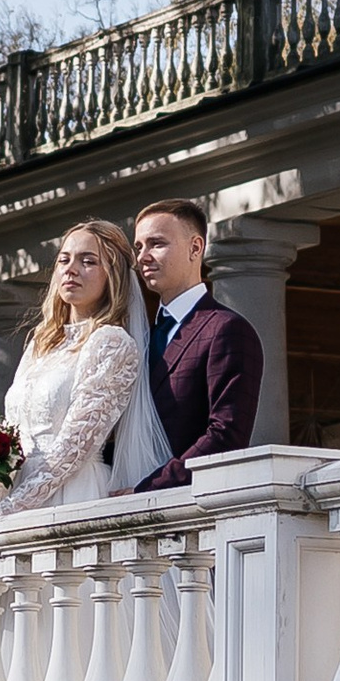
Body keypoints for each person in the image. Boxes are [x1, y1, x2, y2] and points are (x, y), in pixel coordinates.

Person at [0, 218, 170, 521]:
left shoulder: (111, 343)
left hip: (74, 492)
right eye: (64, 259)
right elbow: (13, 443)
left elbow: (75, 446)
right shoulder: (42, 342)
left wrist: (6, 509)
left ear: (113, 275)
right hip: (21, 493)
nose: (71, 269)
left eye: (88, 261)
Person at [128, 196, 265, 489]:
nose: (142, 257)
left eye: (156, 244)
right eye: (139, 247)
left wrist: (149, 488)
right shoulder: (139, 339)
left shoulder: (227, 330)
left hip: (187, 508)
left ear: (195, 247)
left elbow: (226, 435)